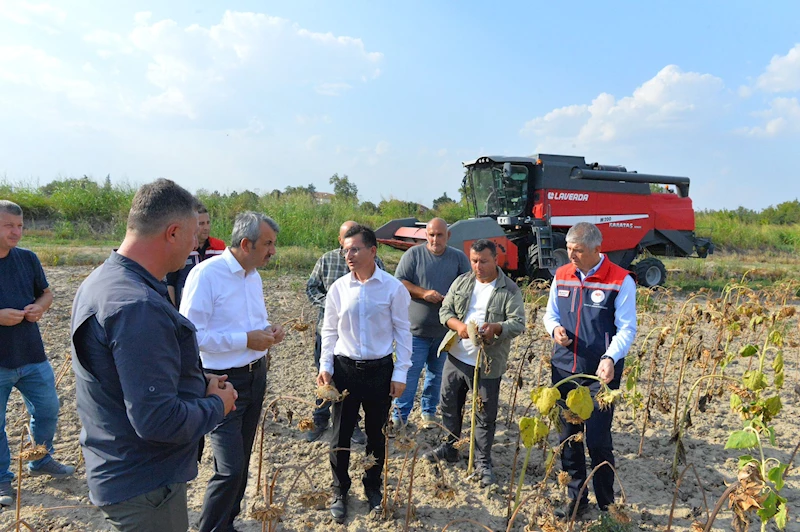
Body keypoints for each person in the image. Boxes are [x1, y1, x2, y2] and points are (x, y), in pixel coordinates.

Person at [70, 180, 237, 532]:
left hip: (120, 469)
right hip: (145, 487)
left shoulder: (104, 282)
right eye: (193, 235)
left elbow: (124, 375)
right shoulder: (137, 307)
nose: (196, 244)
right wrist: (217, 405)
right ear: (173, 232)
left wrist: (195, 381)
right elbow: (158, 420)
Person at [181, 211, 285, 532]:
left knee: (241, 464)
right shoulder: (206, 275)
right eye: (268, 244)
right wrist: (246, 339)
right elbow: (191, 336)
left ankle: (226, 524)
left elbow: (250, 326)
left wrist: (267, 332)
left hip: (256, 376)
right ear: (245, 243)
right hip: (222, 383)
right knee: (229, 469)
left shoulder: (253, 275)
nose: (273, 251)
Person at [317, 224, 411, 524]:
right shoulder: (339, 288)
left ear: (373, 251)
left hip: (379, 371)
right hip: (345, 370)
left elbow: (403, 332)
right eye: (346, 250)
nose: (349, 255)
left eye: (355, 249)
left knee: (376, 434)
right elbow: (329, 330)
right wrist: (326, 367)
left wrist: (401, 373)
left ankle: (372, 487)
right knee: (340, 434)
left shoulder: (392, 288)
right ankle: (339, 489)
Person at [542, 222, 636, 519]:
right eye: (569, 249)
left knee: (596, 439)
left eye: (578, 250)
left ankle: (606, 503)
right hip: (565, 370)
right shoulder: (562, 275)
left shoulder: (620, 280)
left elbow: (627, 328)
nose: (571, 255)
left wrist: (610, 357)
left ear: (598, 249)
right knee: (568, 438)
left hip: (600, 374)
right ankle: (576, 499)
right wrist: (555, 329)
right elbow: (551, 313)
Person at [423, 239, 525, 487]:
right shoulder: (462, 281)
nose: (478, 266)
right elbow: (445, 311)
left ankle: (482, 461)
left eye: (484, 261)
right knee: (449, 405)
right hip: (457, 357)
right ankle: (450, 447)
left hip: (487, 363)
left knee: (484, 414)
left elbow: (518, 323)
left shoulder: (509, 289)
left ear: (495, 260)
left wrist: (496, 328)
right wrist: (459, 327)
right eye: (474, 261)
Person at [0, 200, 75, 508]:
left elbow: (46, 292)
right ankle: (2, 480)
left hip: (32, 356)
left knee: (47, 411)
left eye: (19, 226)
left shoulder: (27, 259)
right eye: (8, 226)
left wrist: (40, 307)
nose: (16, 232)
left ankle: (41, 459)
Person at [305, 220, 385, 444]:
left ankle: (353, 425)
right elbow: (311, 287)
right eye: (345, 240)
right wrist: (329, 304)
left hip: (356, 336)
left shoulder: (373, 261)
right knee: (325, 376)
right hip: (328, 330)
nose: (350, 252)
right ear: (340, 241)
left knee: (352, 383)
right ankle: (320, 419)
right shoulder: (327, 259)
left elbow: (383, 288)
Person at [392, 218, 469, 428]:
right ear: (426, 235)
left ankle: (428, 413)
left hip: (445, 332)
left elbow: (468, 286)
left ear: (448, 236)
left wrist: (452, 300)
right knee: (409, 374)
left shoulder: (458, 258)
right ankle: (399, 416)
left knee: (436, 376)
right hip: (415, 331)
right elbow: (400, 282)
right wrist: (424, 293)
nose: (435, 239)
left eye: (440, 235)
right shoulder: (414, 255)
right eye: (431, 235)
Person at [166, 202, 225, 308]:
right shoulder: (181, 247)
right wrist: (173, 310)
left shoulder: (219, 247)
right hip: (185, 307)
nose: (206, 227)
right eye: (201, 224)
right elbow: (171, 282)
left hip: (214, 307)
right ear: (193, 225)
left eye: (208, 222)